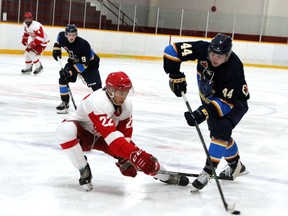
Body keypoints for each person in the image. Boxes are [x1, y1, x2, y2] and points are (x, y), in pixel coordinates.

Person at [56, 71, 189, 191]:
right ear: (109, 90)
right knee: (65, 130)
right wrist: (134, 155)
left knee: (141, 159)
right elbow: (112, 137)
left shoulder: (126, 107)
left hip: (106, 138)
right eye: (121, 93)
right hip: (84, 135)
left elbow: (124, 138)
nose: (124, 96)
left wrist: (125, 159)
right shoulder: (97, 101)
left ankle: (165, 176)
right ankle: (83, 168)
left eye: (126, 92)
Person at [163, 33, 250, 192]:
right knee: (218, 136)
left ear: (227, 55)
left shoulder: (234, 68)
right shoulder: (202, 49)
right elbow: (171, 50)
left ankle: (209, 171)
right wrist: (175, 75)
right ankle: (236, 166)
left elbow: (225, 104)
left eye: (220, 56)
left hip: (234, 102)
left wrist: (201, 113)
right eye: (212, 54)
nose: (215, 58)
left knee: (221, 128)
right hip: (211, 100)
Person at [52, 24, 102, 114]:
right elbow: (58, 41)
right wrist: (56, 49)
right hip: (73, 61)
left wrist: (70, 72)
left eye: (73, 34)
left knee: (97, 88)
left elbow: (84, 65)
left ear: (76, 34)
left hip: (90, 65)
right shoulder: (62, 36)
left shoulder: (83, 45)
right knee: (63, 78)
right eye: (69, 34)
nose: (71, 37)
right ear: (66, 34)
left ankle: (102, 105)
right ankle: (65, 102)